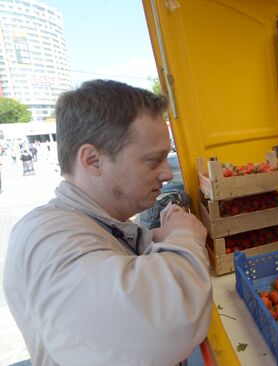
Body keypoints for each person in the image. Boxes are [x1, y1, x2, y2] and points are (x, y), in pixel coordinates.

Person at [3, 80, 213, 366]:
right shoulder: (46, 238)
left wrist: (152, 239)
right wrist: (183, 234)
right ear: (92, 160)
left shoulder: (90, 223)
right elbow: (168, 320)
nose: (166, 173)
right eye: (153, 161)